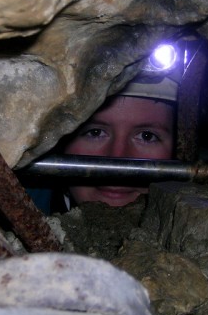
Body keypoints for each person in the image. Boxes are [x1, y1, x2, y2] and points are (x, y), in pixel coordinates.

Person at [28, 67, 179, 213]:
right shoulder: (16, 204)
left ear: (180, 148)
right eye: (95, 132)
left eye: (147, 136)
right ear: (60, 142)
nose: (117, 159)